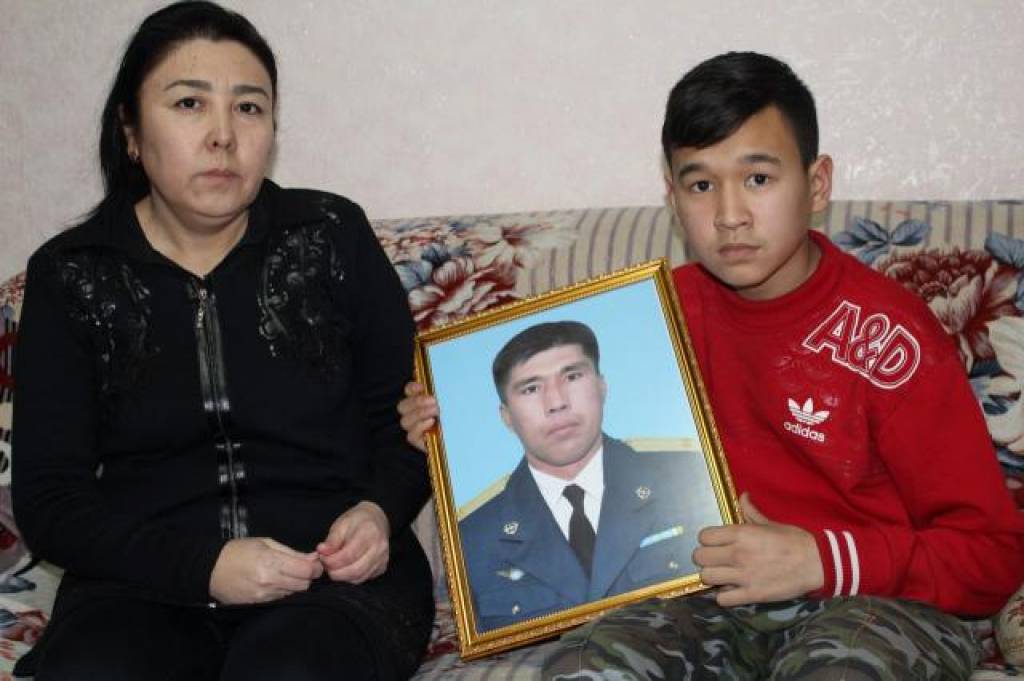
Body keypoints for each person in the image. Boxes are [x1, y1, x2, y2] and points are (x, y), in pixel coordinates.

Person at [399, 52, 1024, 679]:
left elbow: (993, 555)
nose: (730, 215)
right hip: (703, 601)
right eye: (701, 186)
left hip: (874, 602)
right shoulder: (649, 320)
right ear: (672, 198)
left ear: (817, 184)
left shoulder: (893, 338)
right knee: (588, 668)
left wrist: (822, 559)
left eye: (758, 179)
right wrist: (447, 427)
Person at [12, 3, 432, 680]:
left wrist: (378, 511)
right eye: (189, 103)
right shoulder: (72, 276)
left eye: (248, 108)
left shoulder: (332, 237)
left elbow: (410, 422)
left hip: (328, 582)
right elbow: (50, 498)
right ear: (130, 131)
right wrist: (204, 565)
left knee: (289, 669)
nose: (223, 136)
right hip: (140, 583)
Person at [456, 320, 719, 632]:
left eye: (572, 376)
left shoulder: (692, 476)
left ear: (602, 387)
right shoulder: (471, 539)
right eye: (531, 388)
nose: (557, 403)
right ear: (507, 417)